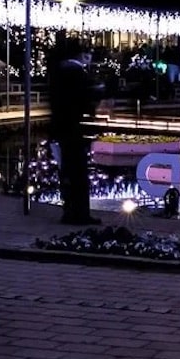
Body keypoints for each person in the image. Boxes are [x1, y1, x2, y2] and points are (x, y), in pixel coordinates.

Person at [48, 41, 102, 225]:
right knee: (77, 171)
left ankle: (71, 211)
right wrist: (99, 94)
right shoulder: (75, 72)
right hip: (72, 127)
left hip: (62, 126)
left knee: (69, 171)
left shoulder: (59, 70)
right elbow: (82, 97)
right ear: (82, 55)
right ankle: (78, 213)